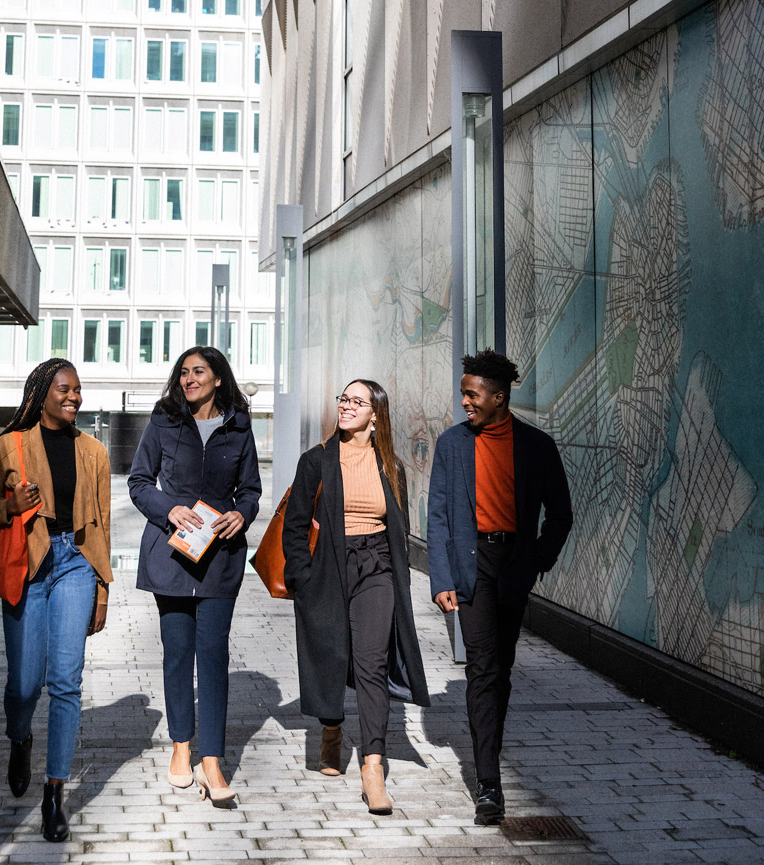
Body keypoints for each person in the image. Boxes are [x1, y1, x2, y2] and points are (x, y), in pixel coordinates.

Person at [428, 348, 572, 825]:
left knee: (501, 669)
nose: (465, 401)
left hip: (513, 564)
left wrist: (537, 562)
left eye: (472, 394)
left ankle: (490, 751)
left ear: (498, 397)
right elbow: (440, 517)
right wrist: (442, 579)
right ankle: (489, 783)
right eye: (464, 393)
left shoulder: (536, 446)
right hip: (472, 567)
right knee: (482, 669)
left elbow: (561, 513)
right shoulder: (451, 445)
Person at [0, 358, 112, 842]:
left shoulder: (94, 451)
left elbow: (101, 525)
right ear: (42, 392)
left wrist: (102, 589)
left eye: (78, 389)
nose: (74, 396)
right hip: (29, 567)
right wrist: (8, 507)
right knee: (24, 683)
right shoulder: (9, 446)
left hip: (75, 562)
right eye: (64, 389)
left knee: (66, 681)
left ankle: (55, 791)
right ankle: (20, 737)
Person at [282, 379, 430, 814]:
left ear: (375, 414)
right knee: (331, 653)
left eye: (356, 401)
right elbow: (294, 526)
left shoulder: (391, 465)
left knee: (372, 662)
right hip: (329, 565)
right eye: (343, 400)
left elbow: (397, 524)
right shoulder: (317, 461)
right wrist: (303, 577)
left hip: (376, 567)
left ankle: (372, 767)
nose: (346, 406)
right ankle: (331, 729)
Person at [128, 345, 261, 804]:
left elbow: (251, 490)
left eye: (199, 371)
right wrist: (171, 509)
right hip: (171, 555)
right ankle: (181, 748)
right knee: (177, 654)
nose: (189, 379)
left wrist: (241, 514)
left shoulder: (239, 426)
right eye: (183, 372)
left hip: (220, 557)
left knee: (214, 656)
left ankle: (212, 761)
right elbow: (139, 482)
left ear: (218, 378)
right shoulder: (164, 421)